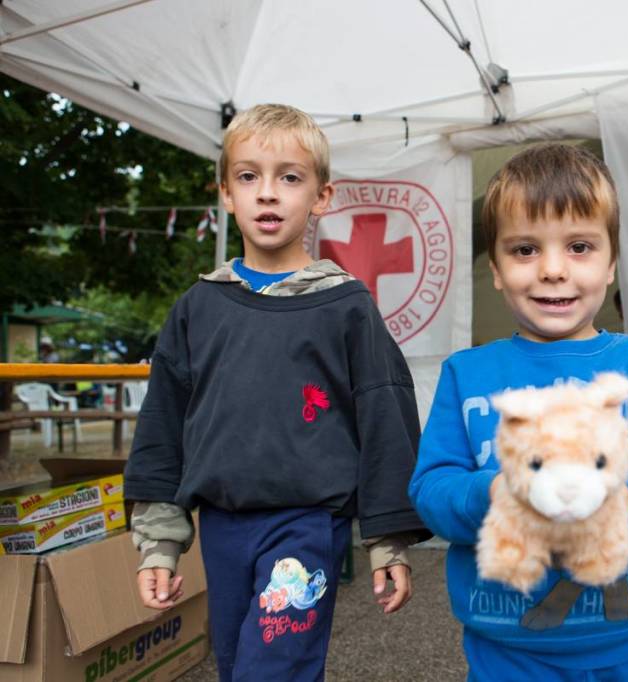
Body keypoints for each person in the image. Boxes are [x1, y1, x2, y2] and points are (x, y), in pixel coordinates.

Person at [124, 104, 430, 681]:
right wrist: (159, 543)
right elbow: (163, 426)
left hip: (306, 523)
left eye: (289, 177)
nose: (268, 193)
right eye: (248, 176)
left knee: (274, 671)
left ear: (321, 196)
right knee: (238, 665)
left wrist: (387, 539)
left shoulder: (346, 306)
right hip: (221, 523)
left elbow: (385, 416)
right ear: (225, 195)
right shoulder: (197, 309)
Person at [409, 143, 628, 681]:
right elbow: (432, 489)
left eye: (579, 246)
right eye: (525, 250)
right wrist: (499, 495)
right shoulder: (466, 375)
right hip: (510, 650)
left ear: (612, 262)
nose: (552, 270)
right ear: (496, 268)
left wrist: (615, 500)